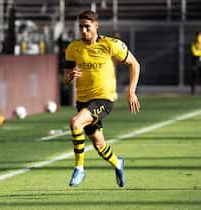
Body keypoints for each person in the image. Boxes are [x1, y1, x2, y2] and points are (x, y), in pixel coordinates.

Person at [63, 10, 141, 187]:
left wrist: (131, 92)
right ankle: (118, 163)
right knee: (99, 145)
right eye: (81, 27)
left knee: (75, 123)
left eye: (87, 27)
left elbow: (135, 64)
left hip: (104, 99)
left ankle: (79, 169)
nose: (83, 30)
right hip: (83, 101)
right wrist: (70, 76)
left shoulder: (110, 44)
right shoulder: (73, 48)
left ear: (96, 26)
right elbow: (65, 78)